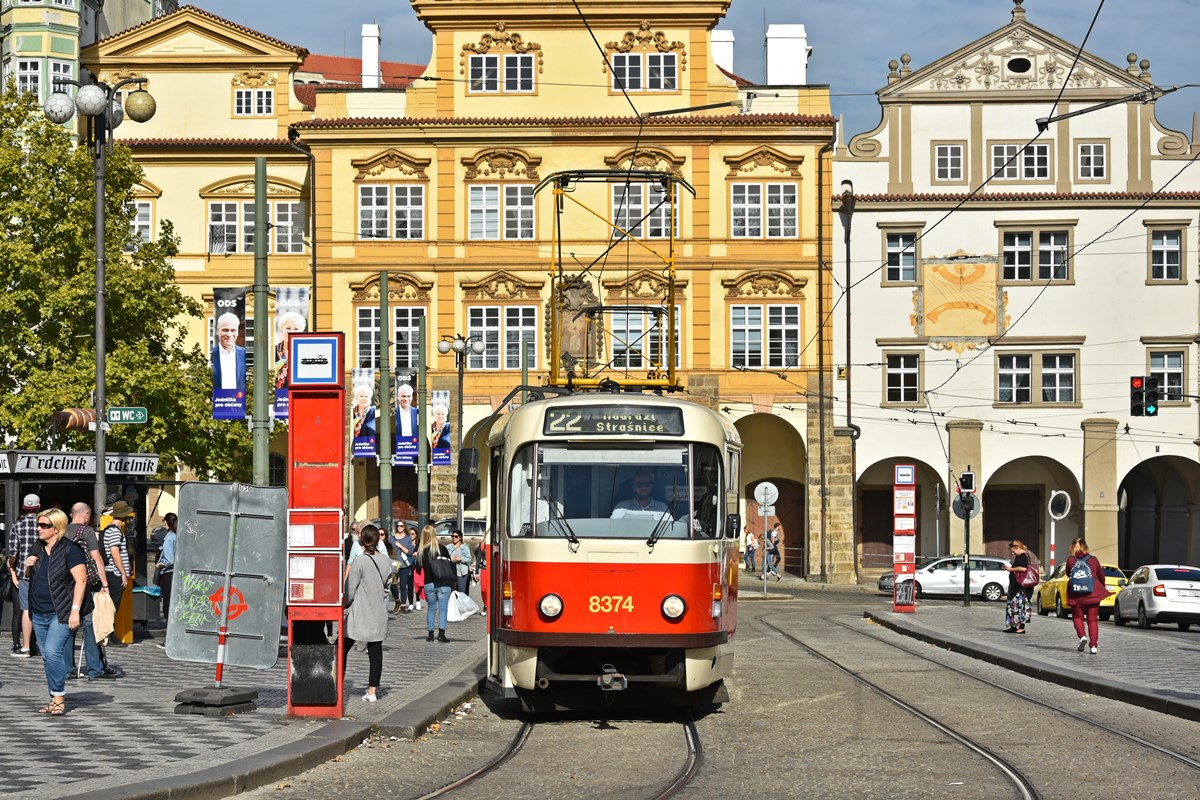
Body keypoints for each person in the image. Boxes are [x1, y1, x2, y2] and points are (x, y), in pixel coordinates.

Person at [27, 508, 92, 715]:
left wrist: (75, 611)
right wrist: (28, 566)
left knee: (54, 653)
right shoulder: (37, 547)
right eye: (39, 525)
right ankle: (54, 697)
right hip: (38, 611)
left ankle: (59, 698)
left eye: (44, 525)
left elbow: (81, 581)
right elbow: (35, 576)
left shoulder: (70, 550)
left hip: (61, 612)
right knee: (47, 656)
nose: (39, 529)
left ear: (57, 528)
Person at [341, 524, 390, 703]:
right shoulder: (386, 561)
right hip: (377, 611)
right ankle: (372, 691)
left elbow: (350, 589)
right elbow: (386, 588)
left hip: (360, 612)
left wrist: (344, 604)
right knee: (375, 651)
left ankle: (338, 683)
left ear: (362, 540)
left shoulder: (360, 561)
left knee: (342, 647)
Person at [66, 502, 110, 680]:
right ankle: (94, 669)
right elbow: (97, 558)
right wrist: (105, 584)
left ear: (71, 514)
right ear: (86, 516)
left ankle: (67, 669)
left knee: (68, 627)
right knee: (90, 625)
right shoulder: (87, 531)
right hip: (85, 584)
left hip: (65, 585)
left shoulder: (61, 530)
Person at [8, 493, 41, 658]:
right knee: (43, 608)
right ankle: (41, 645)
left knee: (26, 609)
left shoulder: (17, 525)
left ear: (24, 508)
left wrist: (12, 566)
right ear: (38, 507)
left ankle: (26, 646)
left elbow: (13, 553)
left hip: (24, 573)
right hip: (43, 573)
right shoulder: (44, 524)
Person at [1066, 537, 1110, 654]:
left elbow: (1068, 574)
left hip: (1076, 593)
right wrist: (1101, 587)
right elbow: (1101, 576)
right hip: (1092, 593)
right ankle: (1093, 646)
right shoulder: (1094, 560)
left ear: (1072, 547)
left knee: (1077, 617)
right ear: (1086, 547)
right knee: (1092, 620)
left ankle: (1082, 636)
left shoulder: (1070, 560)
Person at [415, 523, 454, 642]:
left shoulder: (421, 551)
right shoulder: (442, 548)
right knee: (443, 609)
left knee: (431, 609)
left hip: (429, 583)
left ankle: (430, 634)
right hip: (443, 583)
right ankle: (441, 633)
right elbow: (449, 564)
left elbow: (417, 568)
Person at [102, 502, 133, 624]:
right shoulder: (115, 531)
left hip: (111, 572)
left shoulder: (108, 529)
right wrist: (123, 573)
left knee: (112, 606)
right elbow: (115, 553)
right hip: (114, 574)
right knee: (113, 606)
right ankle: (110, 635)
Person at [1003, 540, 1035, 634]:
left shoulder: (1023, 556)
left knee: (1020, 606)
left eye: (1013, 550)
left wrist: (1011, 569)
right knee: (1013, 606)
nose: (1012, 552)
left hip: (1021, 588)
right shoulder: (1019, 557)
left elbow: (1023, 568)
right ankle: (1013, 626)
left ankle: (1020, 627)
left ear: (1017, 548)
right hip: (1016, 587)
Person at [212, 312, 247, 393]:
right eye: (225, 330)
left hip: (239, 401)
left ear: (237, 333)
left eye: (233, 330)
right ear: (217, 331)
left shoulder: (244, 355)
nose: (229, 334)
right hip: (218, 401)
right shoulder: (211, 354)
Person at [273, 310, 306, 390]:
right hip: (278, 396)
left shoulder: (305, 351)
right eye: (288, 328)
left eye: (296, 329)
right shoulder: (274, 351)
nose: (291, 332)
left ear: (301, 331)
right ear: (282, 329)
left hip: (299, 393)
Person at [156, 513, 178, 631]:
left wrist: (160, 563)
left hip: (169, 572)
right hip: (175, 573)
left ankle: (170, 634)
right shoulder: (176, 535)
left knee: (167, 607)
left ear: (166, 523)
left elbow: (169, 559)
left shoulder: (169, 538)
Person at [391, 522, 416, 614]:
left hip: (404, 564)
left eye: (401, 526)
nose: (399, 527)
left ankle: (403, 606)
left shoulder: (408, 538)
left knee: (403, 585)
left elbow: (410, 552)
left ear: (404, 527)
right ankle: (397, 601)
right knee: (393, 584)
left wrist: (401, 546)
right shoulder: (392, 538)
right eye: (398, 526)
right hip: (394, 564)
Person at [448, 530, 473, 596]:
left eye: (456, 536)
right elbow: (444, 556)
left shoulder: (465, 547)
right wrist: (450, 558)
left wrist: (461, 559)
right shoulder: (448, 547)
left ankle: (462, 605)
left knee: (461, 591)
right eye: (452, 536)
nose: (454, 538)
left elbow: (469, 559)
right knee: (451, 592)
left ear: (460, 538)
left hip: (462, 572)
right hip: (451, 572)